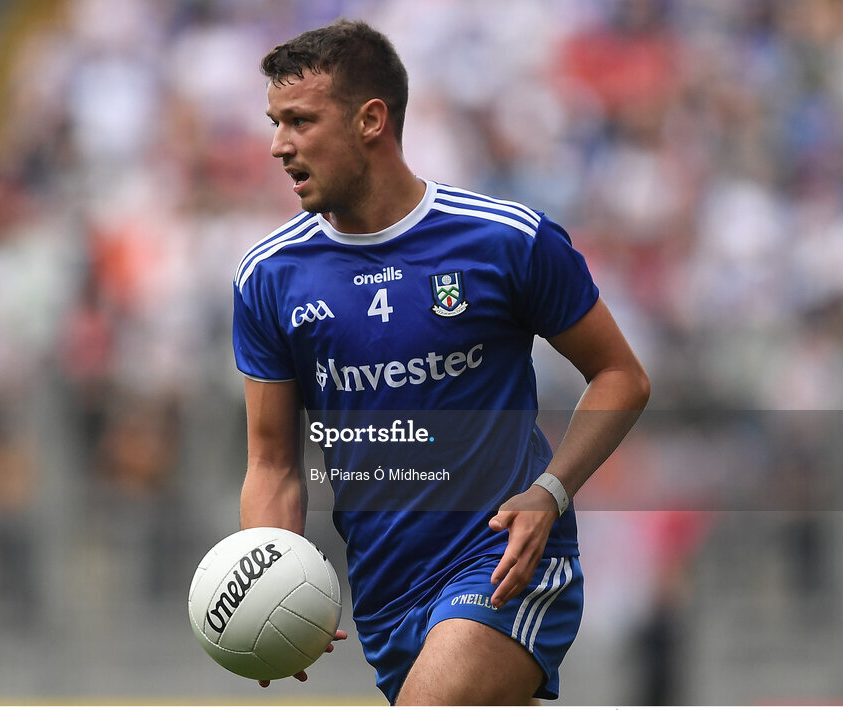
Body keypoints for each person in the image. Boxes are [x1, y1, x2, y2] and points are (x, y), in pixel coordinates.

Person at [232, 18, 650, 705]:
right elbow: (273, 462)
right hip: (387, 595)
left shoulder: (506, 241)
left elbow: (622, 377)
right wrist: (274, 577)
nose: (279, 146)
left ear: (370, 119)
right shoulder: (270, 276)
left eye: (300, 122)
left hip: (504, 564)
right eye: (275, 122)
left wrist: (550, 492)